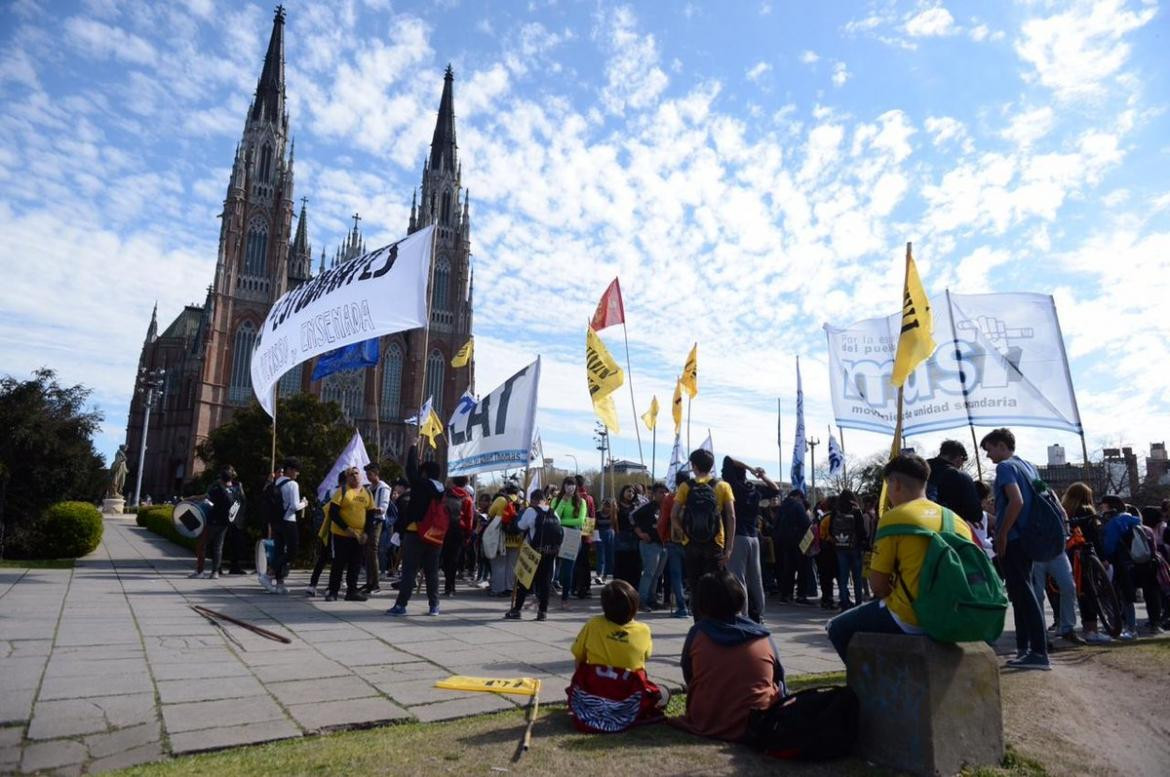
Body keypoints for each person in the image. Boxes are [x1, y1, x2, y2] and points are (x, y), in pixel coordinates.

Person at [826, 454, 974, 662]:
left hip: (913, 617)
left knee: (836, 627)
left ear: (894, 484)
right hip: (953, 613)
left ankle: (868, 688)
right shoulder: (955, 519)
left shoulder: (894, 518)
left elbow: (878, 586)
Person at [670, 569, 785, 741]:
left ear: (701, 602)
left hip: (707, 717)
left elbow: (690, 675)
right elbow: (778, 677)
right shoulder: (762, 635)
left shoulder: (698, 633)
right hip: (758, 720)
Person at [981, 428, 1049, 669]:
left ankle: (1038, 652)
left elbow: (1016, 500)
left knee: (1024, 594)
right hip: (1032, 537)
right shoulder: (1028, 466)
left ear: (1001, 445)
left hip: (1015, 538)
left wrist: (1001, 533)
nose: (988, 456)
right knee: (1022, 593)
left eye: (989, 449)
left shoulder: (1005, 467)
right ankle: (1026, 648)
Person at [566, 580, 665, 733]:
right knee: (662, 693)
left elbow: (579, 657)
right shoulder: (644, 630)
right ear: (634, 606)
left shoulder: (593, 624)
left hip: (595, 691)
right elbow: (645, 657)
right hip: (627, 697)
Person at [672, 449, 736, 612]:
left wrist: (682, 533)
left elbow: (674, 515)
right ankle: (713, 624)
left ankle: (698, 626)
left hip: (691, 542)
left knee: (695, 587)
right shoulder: (723, 486)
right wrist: (728, 549)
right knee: (714, 587)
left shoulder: (686, 486)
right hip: (715, 541)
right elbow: (731, 517)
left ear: (694, 466)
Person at [386, 444, 445, 617]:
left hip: (416, 532)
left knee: (409, 571)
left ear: (425, 473)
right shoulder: (442, 489)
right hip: (435, 534)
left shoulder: (421, 484)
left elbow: (410, 469)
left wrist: (412, 446)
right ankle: (434, 606)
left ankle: (401, 605)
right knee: (431, 572)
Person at [723, 457, 779, 623]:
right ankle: (760, 615)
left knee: (738, 578)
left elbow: (728, 459)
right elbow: (775, 489)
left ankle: (743, 614)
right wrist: (760, 475)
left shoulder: (732, 486)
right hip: (754, 537)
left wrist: (749, 467)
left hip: (738, 536)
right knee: (756, 578)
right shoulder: (753, 488)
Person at [1100, 495, 1159, 638]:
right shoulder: (1131, 519)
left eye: (1103, 505)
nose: (1101, 507)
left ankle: (1130, 628)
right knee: (1144, 594)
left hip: (1122, 562)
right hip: (1140, 561)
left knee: (1125, 597)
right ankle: (1150, 624)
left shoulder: (1114, 523)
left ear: (1109, 506)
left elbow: (1109, 547)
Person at [1061, 483, 1109, 643]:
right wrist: (1103, 558)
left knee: (1080, 593)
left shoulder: (1066, 512)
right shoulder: (1087, 511)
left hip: (1071, 555)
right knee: (1091, 592)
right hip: (1088, 555)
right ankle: (1092, 630)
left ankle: (1077, 627)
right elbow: (1095, 537)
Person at [505, 489, 561, 621]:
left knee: (524, 580)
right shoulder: (553, 512)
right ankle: (542, 612)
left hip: (533, 551)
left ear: (533, 500)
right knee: (545, 582)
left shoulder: (531, 511)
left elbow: (520, 526)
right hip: (550, 552)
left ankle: (517, 610)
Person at [326, 466, 373, 602]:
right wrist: (346, 529)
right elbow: (333, 512)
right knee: (339, 563)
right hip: (342, 534)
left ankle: (352, 591)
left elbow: (370, 515)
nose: (355, 476)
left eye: (357, 473)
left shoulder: (367, 493)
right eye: (351, 474)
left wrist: (367, 533)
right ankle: (333, 591)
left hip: (359, 536)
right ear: (347, 478)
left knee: (355, 564)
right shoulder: (342, 491)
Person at [261, 458, 307, 595]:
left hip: (277, 521)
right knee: (292, 552)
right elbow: (294, 506)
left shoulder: (277, 482)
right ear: (290, 470)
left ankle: (280, 584)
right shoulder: (293, 484)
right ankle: (268, 574)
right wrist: (304, 503)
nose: (297, 474)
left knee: (279, 551)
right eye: (296, 470)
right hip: (288, 521)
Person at [656, 470, 691, 618]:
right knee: (693, 575)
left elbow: (663, 521)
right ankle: (696, 606)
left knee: (675, 575)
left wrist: (663, 538)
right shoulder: (694, 496)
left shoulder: (670, 498)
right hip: (693, 541)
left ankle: (681, 607)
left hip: (674, 539)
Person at [306, 471, 346, 597]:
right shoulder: (341, 493)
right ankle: (331, 587)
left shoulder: (329, 492)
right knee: (336, 559)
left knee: (323, 558)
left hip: (326, 529)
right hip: (336, 530)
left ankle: (312, 584)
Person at [551, 477, 588, 609]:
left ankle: (565, 597)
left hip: (573, 536)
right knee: (551, 566)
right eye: (567, 484)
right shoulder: (556, 499)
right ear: (563, 486)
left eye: (572, 484)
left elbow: (580, 521)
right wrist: (563, 502)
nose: (570, 487)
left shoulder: (581, 501)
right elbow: (554, 516)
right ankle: (544, 592)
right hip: (557, 535)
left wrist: (562, 521)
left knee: (568, 569)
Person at [927, 440, 983, 525]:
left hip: (914, 527)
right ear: (959, 458)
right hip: (949, 529)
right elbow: (976, 514)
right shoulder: (961, 477)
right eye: (963, 460)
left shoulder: (916, 470)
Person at [633, 482, 669, 611]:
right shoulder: (648, 507)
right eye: (660, 492)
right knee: (649, 573)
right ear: (654, 494)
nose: (664, 494)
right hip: (650, 544)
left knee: (657, 574)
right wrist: (640, 533)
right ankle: (641, 601)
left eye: (665, 492)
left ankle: (651, 599)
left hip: (663, 544)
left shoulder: (667, 508)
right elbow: (632, 517)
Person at [773, 489, 812, 604]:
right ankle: (801, 595)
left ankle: (786, 594)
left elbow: (776, 523)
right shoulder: (797, 505)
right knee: (802, 569)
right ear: (798, 496)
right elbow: (806, 523)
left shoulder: (782, 507)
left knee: (788, 569)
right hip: (799, 541)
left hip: (784, 542)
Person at [830, 490, 867, 610]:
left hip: (840, 547)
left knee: (843, 576)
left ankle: (844, 602)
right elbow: (861, 530)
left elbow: (831, 530)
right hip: (854, 547)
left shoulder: (835, 511)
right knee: (857, 577)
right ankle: (858, 603)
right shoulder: (856, 510)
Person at [204, 466, 243, 579]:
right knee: (218, 546)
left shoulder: (217, 489)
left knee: (207, 545)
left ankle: (208, 569)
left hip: (213, 520)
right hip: (225, 522)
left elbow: (208, 499)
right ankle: (215, 571)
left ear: (221, 478)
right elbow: (238, 503)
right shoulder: (234, 490)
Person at [441, 476, 475, 597]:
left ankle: (447, 583)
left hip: (444, 529)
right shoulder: (467, 498)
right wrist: (468, 535)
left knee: (444, 557)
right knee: (454, 560)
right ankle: (450, 587)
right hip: (459, 530)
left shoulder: (445, 495)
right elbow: (469, 518)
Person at [487, 484, 521, 597]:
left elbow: (490, 513)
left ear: (506, 491)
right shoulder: (523, 501)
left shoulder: (501, 500)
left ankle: (498, 589)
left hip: (501, 538)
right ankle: (510, 588)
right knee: (512, 565)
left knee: (499, 564)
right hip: (516, 539)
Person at [362, 463, 391, 595]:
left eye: (370, 474)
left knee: (372, 551)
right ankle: (369, 582)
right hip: (367, 521)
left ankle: (376, 584)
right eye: (367, 474)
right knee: (367, 552)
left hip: (376, 521)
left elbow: (384, 506)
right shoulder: (368, 487)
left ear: (376, 473)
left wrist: (375, 509)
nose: (368, 477)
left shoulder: (383, 487)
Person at [613, 485, 642, 588]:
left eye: (633, 492)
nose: (631, 494)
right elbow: (613, 522)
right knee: (621, 564)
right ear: (623, 492)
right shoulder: (617, 506)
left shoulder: (636, 507)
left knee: (633, 565)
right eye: (628, 491)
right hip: (622, 536)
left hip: (634, 537)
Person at [595, 497, 616, 583]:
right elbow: (594, 525)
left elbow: (615, 525)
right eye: (605, 505)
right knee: (601, 556)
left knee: (609, 555)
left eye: (609, 506)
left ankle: (605, 575)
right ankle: (599, 575)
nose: (607, 508)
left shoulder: (613, 514)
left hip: (610, 534)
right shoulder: (598, 514)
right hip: (600, 535)